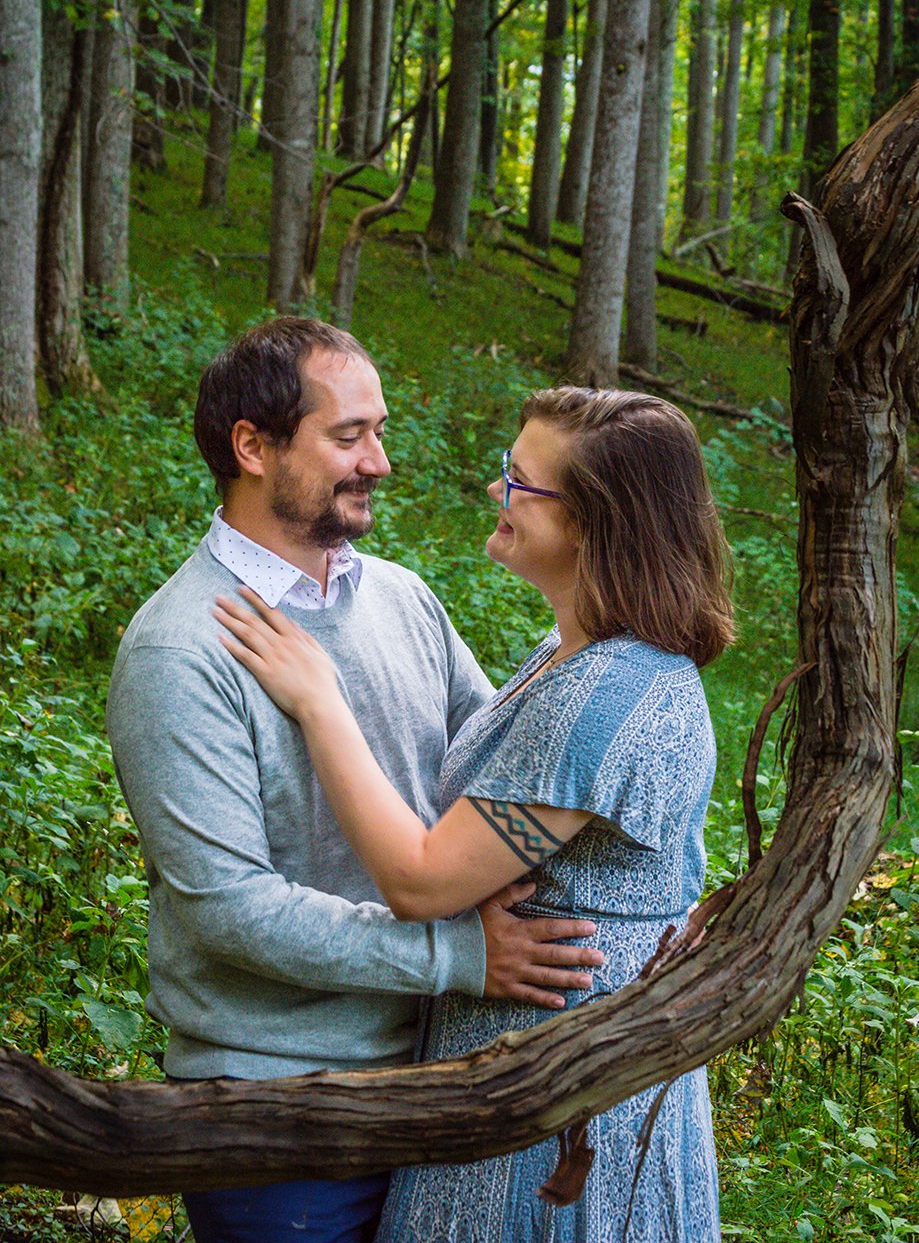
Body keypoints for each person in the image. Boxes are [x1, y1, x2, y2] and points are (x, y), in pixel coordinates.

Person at [107, 318, 603, 1243]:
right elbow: (228, 906)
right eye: (348, 436)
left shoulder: (403, 598)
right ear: (251, 447)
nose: (379, 460)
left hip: (435, 1078)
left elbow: (501, 774)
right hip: (278, 1110)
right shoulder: (179, 650)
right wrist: (458, 957)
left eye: (378, 430)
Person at [215, 383, 736, 1243]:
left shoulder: (605, 697)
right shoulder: (572, 657)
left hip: (560, 1117)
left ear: (593, 523)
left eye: (522, 483)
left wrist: (320, 701)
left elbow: (422, 881)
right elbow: (502, 786)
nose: (498, 492)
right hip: (517, 1086)